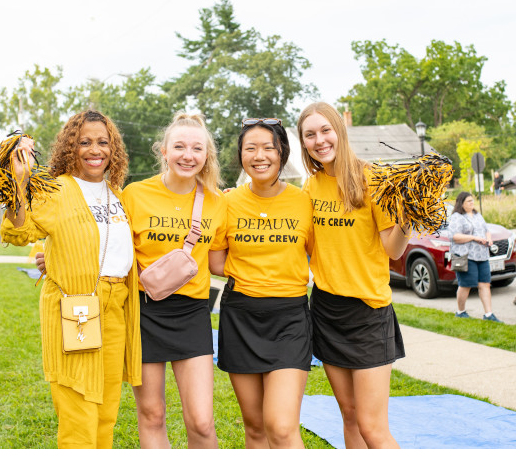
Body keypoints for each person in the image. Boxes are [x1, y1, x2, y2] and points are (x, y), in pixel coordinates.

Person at [1, 110, 142, 448]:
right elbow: (18, 232)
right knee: (79, 405)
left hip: (115, 307)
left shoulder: (116, 193)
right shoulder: (56, 189)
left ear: (114, 149)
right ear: (69, 148)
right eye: (85, 142)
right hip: (76, 307)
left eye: (103, 142)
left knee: (106, 407)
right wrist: (18, 183)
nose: (96, 150)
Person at [297, 102, 410, 449]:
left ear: (340, 131)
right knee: (348, 415)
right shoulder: (310, 187)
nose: (319, 140)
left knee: (372, 427)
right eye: (310, 134)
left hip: (368, 311)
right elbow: (308, 249)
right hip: (328, 310)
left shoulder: (374, 179)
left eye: (325, 130)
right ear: (303, 142)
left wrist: (407, 218)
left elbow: (394, 250)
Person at [122, 112, 226, 448]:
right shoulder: (134, 194)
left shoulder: (217, 202)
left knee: (202, 421)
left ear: (206, 155)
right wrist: (55, 258)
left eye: (197, 148)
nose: (187, 155)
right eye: (179, 146)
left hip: (192, 312)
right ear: (163, 151)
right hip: (142, 311)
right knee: (151, 415)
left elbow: (219, 261)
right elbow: (108, 249)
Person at [209, 118, 313, 448]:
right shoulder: (226, 202)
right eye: (250, 148)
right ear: (240, 155)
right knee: (255, 428)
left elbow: (322, 253)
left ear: (282, 152)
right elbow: (215, 262)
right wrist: (255, 271)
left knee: (281, 427)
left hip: (289, 320)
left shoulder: (303, 201)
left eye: (268, 147)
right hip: (241, 316)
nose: (260, 155)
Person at [448, 191, 501, 322]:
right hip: (466, 255)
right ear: (461, 203)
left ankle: (489, 314)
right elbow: (454, 236)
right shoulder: (457, 217)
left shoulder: (477, 215)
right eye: (469, 201)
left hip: (482, 255)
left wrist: (488, 239)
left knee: (485, 284)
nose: (472, 203)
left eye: (472, 201)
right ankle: (460, 311)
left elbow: (486, 229)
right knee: (466, 284)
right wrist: (474, 238)